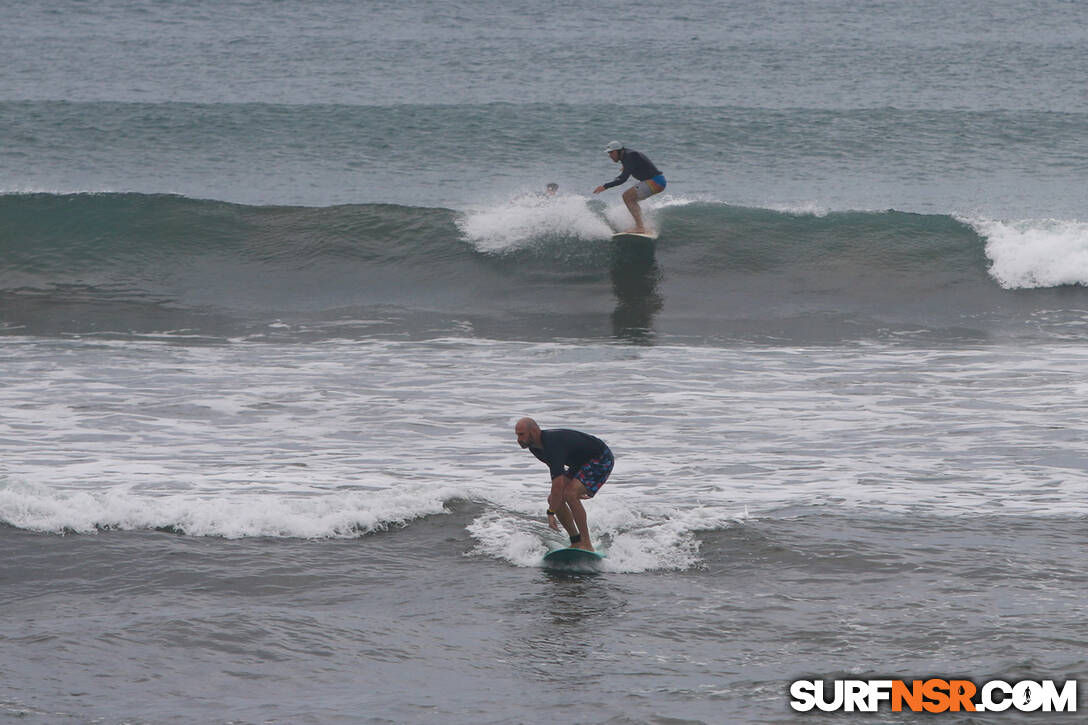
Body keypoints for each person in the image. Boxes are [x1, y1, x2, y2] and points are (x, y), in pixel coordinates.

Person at [515, 417, 614, 552]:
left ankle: (587, 545)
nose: (518, 439)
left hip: (600, 457)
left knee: (569, 494)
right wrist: (555, 504)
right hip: (578, 463)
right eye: (517, 435)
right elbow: (558, 476)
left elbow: (558, 483)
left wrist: (551, 513)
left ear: (533, 431)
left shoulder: (552, 444)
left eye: (521, 434)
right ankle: (575, 541)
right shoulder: (535, 448)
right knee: (554, 499)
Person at [593, 141, 666, 234]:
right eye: (609, 153)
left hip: (655, 182)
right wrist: (627, 166)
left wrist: (605, 186)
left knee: (627, 197)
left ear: (618, 151)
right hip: (657, 181)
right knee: (631, 199)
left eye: (611, 152)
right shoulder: (628, 156)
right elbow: (639, 161)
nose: (610, 155)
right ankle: (643, 225)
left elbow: (622, 179)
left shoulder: (630, 156)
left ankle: (640, 227)